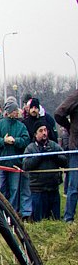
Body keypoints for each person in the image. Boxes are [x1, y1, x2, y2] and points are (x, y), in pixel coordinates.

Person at [0, 99, 29, 214]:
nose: (17, 112)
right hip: (1, 164)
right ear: (10, 111)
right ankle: (1, 212)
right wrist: (3, 141)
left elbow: (26, 140)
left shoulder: (21, 126)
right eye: (15, 110)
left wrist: (15, 141)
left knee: (14, 189)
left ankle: (13, 213)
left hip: (15, 164)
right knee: (1, 189)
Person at [21, 124, 63, 221]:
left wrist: (54, 156)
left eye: (45, 130)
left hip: (53, 188)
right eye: (41, 131)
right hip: (38, 189)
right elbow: (26, 165)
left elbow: (65, 161)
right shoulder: (30, 148)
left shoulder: (54, 145)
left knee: (55, 220)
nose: (44, 133)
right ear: (36, 134)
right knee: (38, 221)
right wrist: (39, 156)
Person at [54, 88, 78, 223]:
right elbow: (58, 113)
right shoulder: (76, 96)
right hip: (77, 148)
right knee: (74, 185)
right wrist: (69, 127)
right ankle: (68, 218)